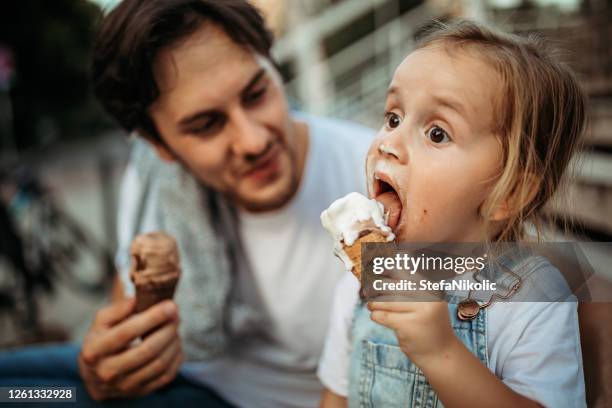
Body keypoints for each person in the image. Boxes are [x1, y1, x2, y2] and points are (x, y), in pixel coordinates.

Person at [0, 1, 374, 407]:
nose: (254, 141)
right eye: (206, 125)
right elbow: (126, 297)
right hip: (173, 375)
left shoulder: (371, 180)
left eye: (256, 93)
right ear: (158, 146)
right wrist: (109, 364)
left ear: (271, 64)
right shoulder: (159, 181)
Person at [318, 20, 587, 408]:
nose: (388, 143)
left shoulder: (532, 301)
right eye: (393, 118)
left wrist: (440, 352)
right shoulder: (357, 286)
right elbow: (334, 399)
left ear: (505, 192)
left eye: (437, 133)